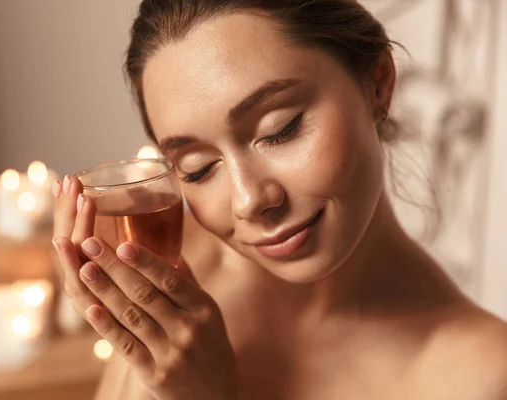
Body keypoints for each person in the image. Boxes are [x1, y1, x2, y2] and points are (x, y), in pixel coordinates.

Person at [51, 1, 507, 398]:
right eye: (198, 168)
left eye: (281, 129)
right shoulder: (174, 272)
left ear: (378, 83)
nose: (249, 200)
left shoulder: (482, 376)